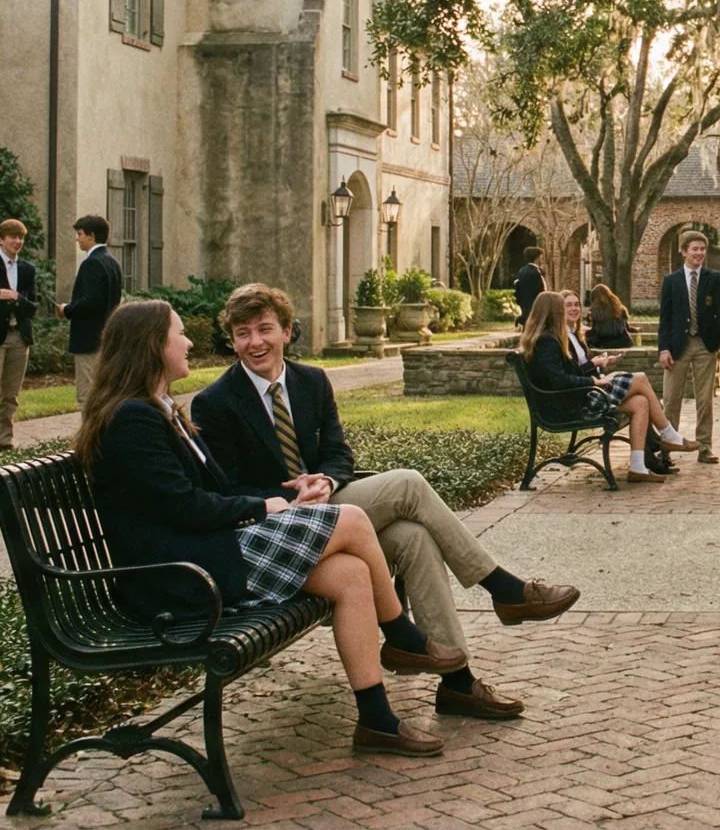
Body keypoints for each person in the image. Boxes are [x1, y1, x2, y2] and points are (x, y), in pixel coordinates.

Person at [193, 284, 578, 721]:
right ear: (232, 340)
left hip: (330, 505)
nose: (255, 342)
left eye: (264, 329)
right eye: (242, 333)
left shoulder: (311, 381)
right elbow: (229, 489)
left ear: (286, 331)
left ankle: (458, 683)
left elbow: (338, 454)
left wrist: (327, 481)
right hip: (279, 529)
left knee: (413, 537)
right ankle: (503, 589)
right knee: (409, 485)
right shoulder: (215, 402)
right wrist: (290, 495)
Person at [79, 300, 443, 756]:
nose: (188, 342)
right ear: (153, 346)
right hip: (178, 577)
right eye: (179, 333)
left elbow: (201, 496)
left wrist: (270, 505)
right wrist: (264, 507)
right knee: (350, 518)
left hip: (204, 553)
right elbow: (185, 506)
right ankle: (401, 634)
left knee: (351, 574)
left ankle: (376, 720)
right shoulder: (133, 418)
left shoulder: (157, 408)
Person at [522, 290, 696, 483]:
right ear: (552, 312)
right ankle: (667, 434)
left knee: (640, 402)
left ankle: (638, 467)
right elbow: (558, 381)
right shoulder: (547, 341)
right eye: (562, 309)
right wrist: (593, 381)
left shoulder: (550, 338)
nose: (566, 312)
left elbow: (567, 373)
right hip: (572, 405)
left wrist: (595, 370)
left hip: (578, 397)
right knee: (640, 379)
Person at [657, 231, 720, 463]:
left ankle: (705, 447)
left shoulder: (714, 278)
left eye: (702, 249)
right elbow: (665, 318)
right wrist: (664, 349)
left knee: (704, 399)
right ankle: (666, 448)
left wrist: (718, 341)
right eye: (694, 249)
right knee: (671, 399)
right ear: (683, 251)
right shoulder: (671, 281)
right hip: (677, 346)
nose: (699, 253)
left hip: (704, 345)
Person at [0, 218, 39, 456]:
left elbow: (33, 307)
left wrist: (14, 297)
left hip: (20, 337)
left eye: (21, 238)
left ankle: (5, 443)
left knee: (11, 395)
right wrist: (2, 295)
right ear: (0, 240)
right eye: (12, 237)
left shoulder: (27, 269)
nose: (17, 241)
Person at [59, 214, 122, 406]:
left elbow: (90, 302)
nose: (77, 239)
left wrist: (67, 309)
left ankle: (91, 428)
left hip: (89, 340)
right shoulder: (112, 262)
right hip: (106, 337)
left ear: (91, 236)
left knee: (87, 396)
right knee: (104, 394)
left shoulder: (92, 263)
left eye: (80, 234)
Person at [563, 291, 621, 372]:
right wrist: (594, 363)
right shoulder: (559, 338)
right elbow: (570, 373)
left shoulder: (576, 334)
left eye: (577, 305)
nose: (574, 308)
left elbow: (584, 366)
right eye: (568, 305)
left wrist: (602, 362)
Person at [583, 284, 636, 348]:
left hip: (604, 341)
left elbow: (595, 330)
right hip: (623, 341)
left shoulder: (595, 310)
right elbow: (625, 327)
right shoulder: (621, 308)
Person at [513, 246, 545, 326]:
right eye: (541, 257)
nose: (542, 259)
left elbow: (517, 291)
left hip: (525, 308)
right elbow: (539, 292)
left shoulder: (522, 271)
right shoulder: (535, 273)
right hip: (535, 310)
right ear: (537, 258)